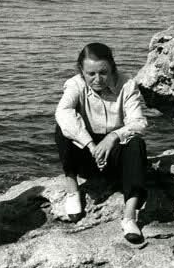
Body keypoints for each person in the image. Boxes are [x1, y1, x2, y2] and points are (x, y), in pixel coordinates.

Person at [55, 42, 148, 243]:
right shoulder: (75, 84)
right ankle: (72, 191)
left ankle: (129, 217)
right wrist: (90, 144)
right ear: (82, 72)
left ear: (112, 68)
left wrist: (113, 137)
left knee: (136, 144)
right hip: (88, 155)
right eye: (91, 74)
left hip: (114, 157)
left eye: (103, 73)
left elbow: (139, 122)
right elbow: (62, 113)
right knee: (62, 130)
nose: (97, 79)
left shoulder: (127, 85)